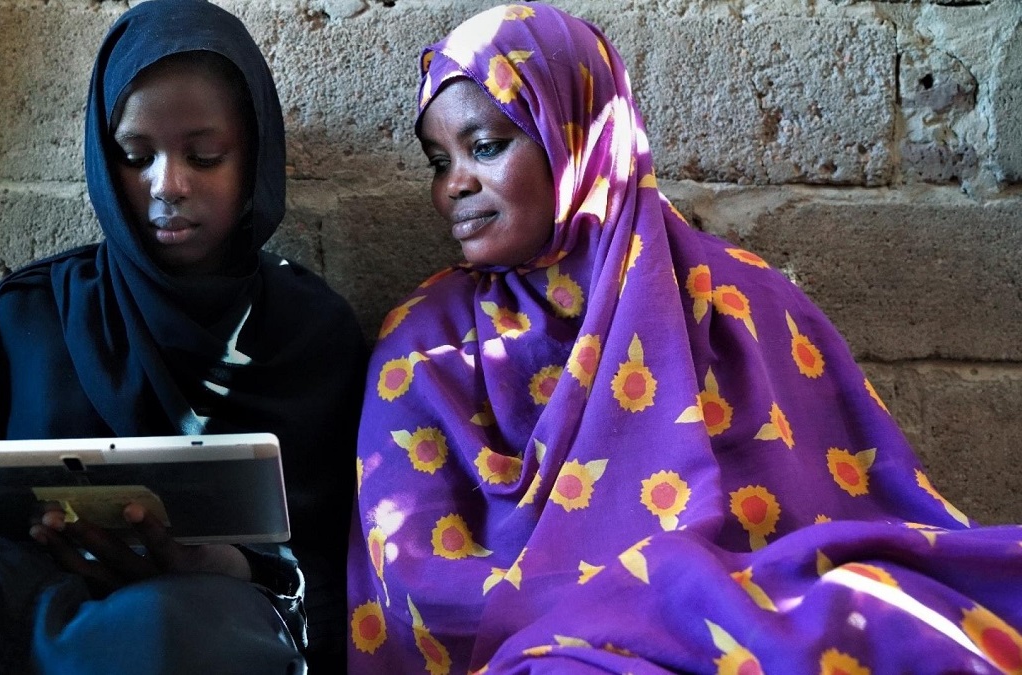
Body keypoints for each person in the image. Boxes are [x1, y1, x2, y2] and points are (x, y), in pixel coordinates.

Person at [347, 4, 1022, 673]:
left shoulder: (739, 296)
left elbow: (841, 511)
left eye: (486, 146)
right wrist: (637, 598)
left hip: (751, 616)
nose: (454, 185)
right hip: (552, 650)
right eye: (440, 161)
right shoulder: (425, 342)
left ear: (574, 136)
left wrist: (698, 597)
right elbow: (415, 578)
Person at [0, 0, 366, 672]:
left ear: (255, 155)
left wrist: (214, 560)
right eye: (135, 157)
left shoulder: (309, 334)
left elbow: (347, 567)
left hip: (206, 614)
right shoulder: (26, 314)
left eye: (204, 155)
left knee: (169, 632)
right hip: (24, 595)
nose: (167, 185)